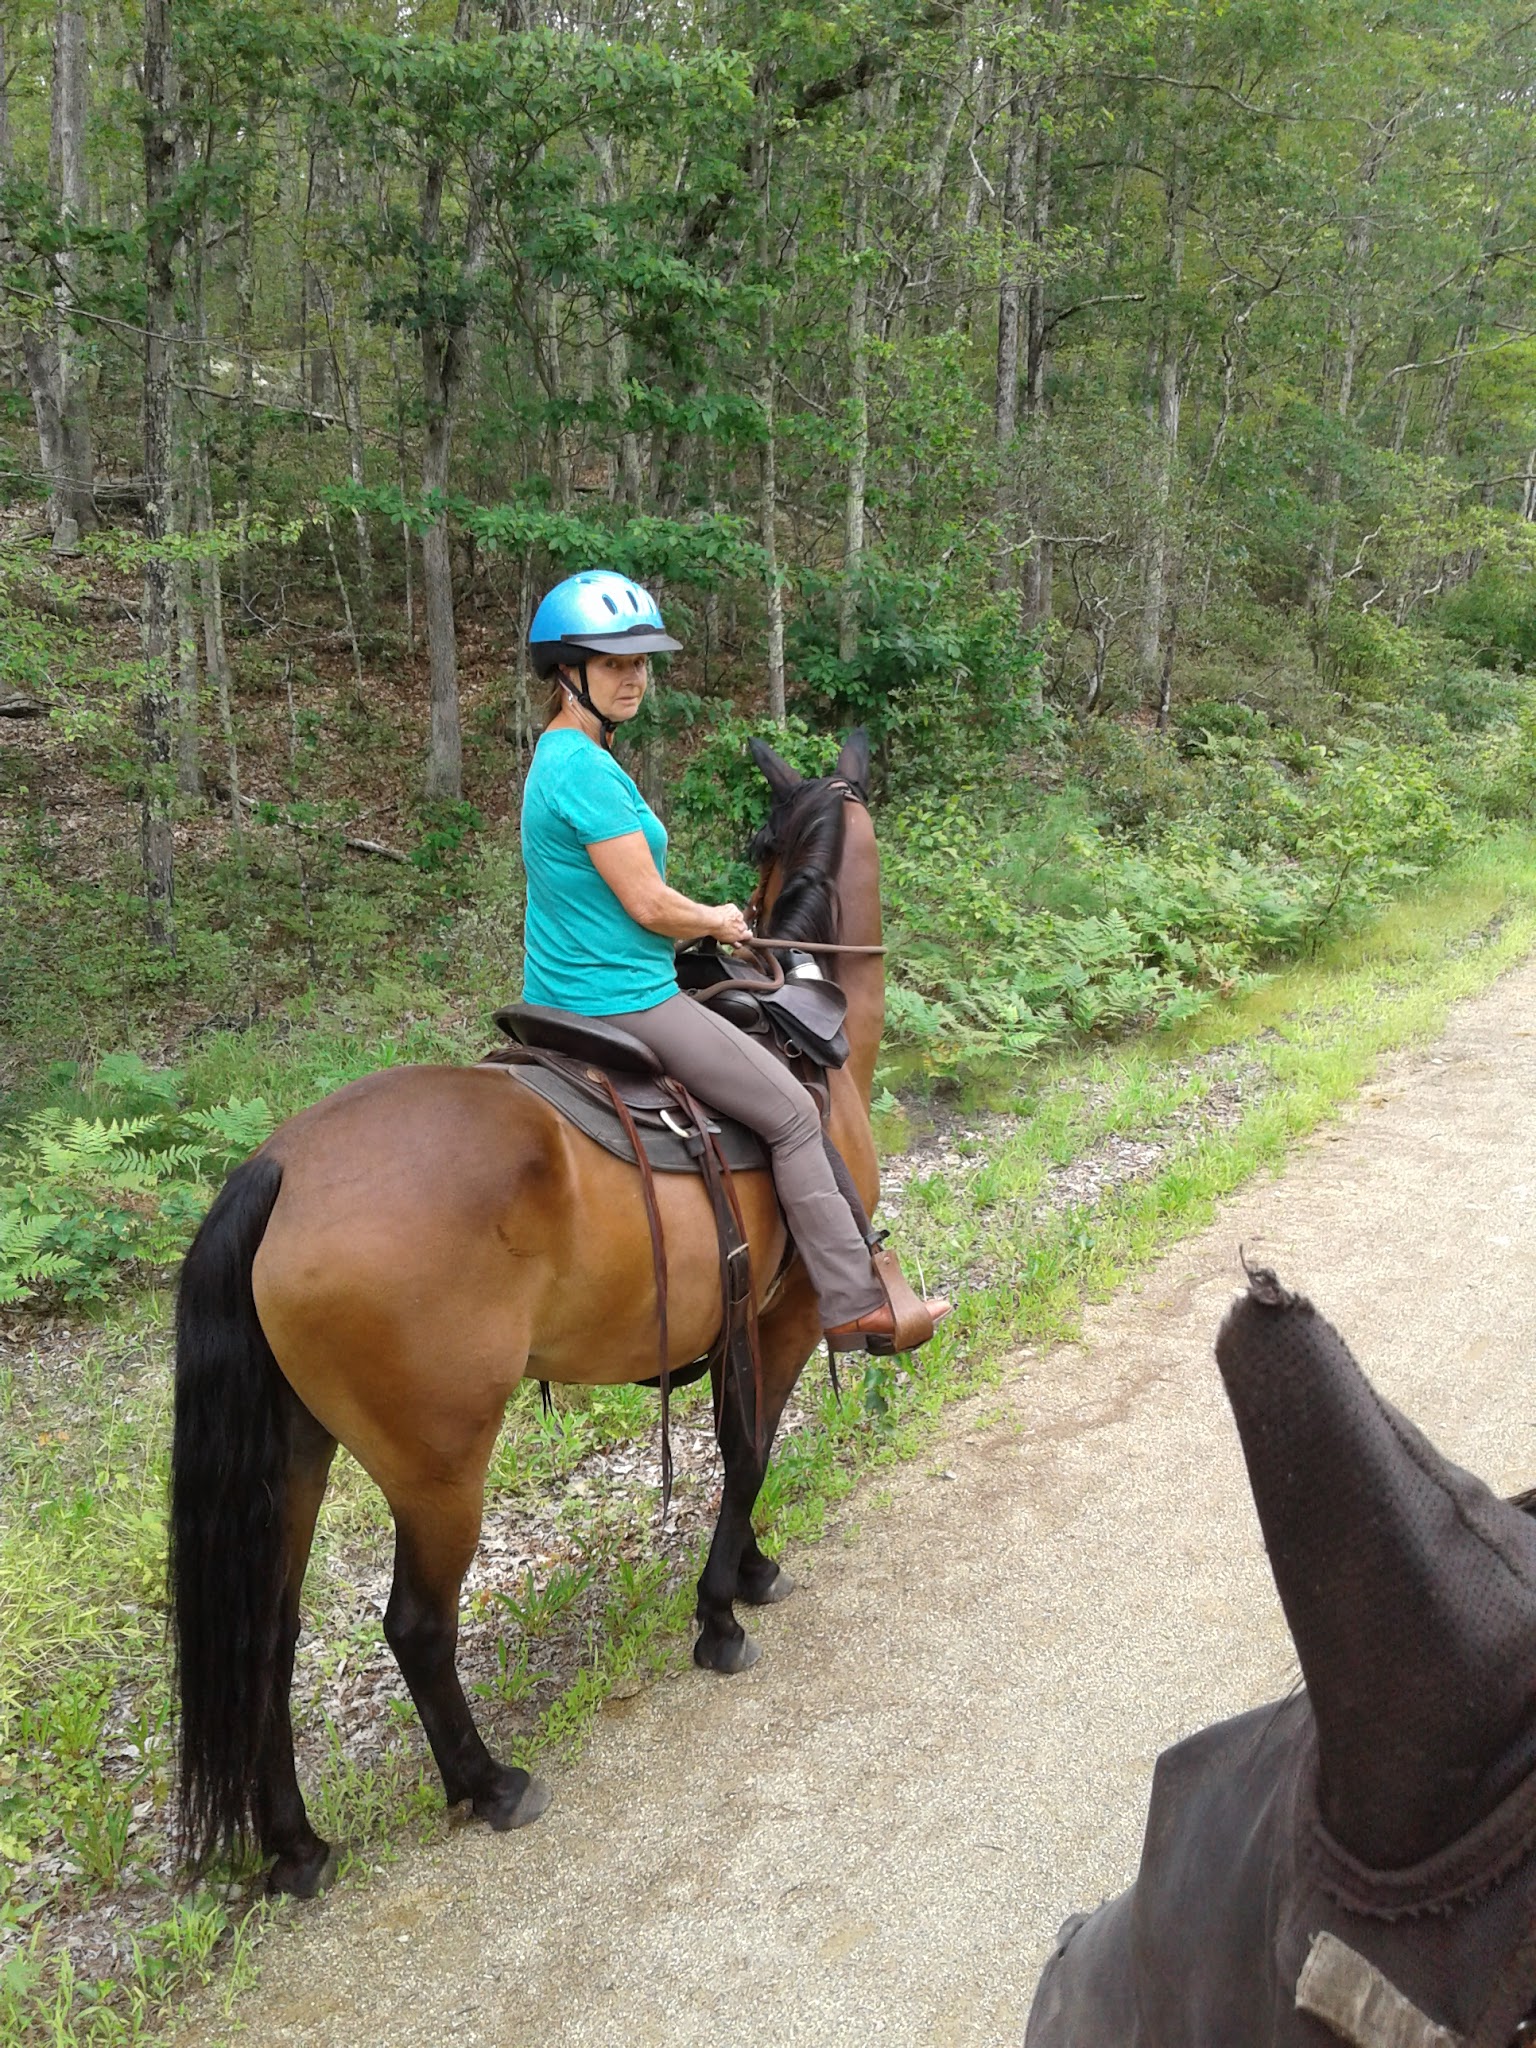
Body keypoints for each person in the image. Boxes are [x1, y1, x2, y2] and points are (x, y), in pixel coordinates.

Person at [518, 568, 950, 1353]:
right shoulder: (583, 768)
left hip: (558, 989)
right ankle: (856, 1304)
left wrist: (695, 918)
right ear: (567, 672)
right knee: (790, 1109)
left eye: (641, 663)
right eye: (614, 663)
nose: (633, 679)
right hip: (621, 996)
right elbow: (647, 905)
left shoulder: (561, 758)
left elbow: (617, 891)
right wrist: (715, 917)